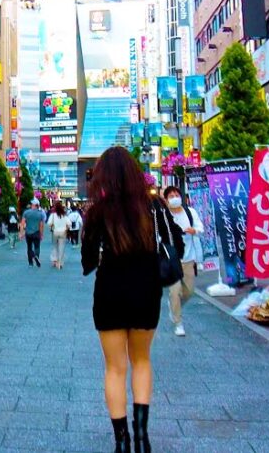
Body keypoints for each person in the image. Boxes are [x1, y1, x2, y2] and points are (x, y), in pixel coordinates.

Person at [82, 147, 184, 453]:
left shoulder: (98, 211)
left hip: (110, 291)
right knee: (142, 360)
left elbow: (87, 262)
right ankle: (142, 438)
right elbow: (176, 241)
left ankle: (121, 442)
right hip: (146, 289)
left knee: (115, 368)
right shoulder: (153, 205)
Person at [163, 186, 202, 337]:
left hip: (188, 258)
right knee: (174, 292)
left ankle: (174, 307)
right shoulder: (164, 216)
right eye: (171, 196)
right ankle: (178, 323)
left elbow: (200, 227)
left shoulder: (190, 213)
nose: (174, 198)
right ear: (166, 200)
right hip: (172, 260)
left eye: (176, 195)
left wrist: (195, 230)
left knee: (189, 291)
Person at [21, 199, 46, 268]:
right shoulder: (40, 214)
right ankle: (36, 256)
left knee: (29, 247)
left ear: (33, 205)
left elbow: (22, 223)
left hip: (28, 232)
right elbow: (41, 225)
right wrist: (41, 234)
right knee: (37, 246)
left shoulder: (26, 212)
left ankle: (30, 263)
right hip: (36, 232)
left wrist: (21, 232)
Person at [48, 202, 71, 270]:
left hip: (55, 232)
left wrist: (53, 226)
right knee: (61, 247)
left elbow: (49, 223)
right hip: (63, 232)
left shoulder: (53, 215)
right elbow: (69, 224)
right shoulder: (64, 215)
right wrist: (66, 229)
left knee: (55, 246)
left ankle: (54, 259)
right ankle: (60, 263)